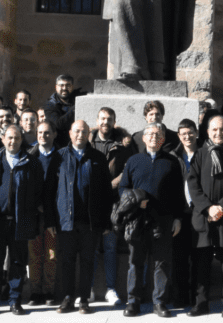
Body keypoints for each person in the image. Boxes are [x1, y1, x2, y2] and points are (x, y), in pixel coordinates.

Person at [120, 123, 187, 317]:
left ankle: (159, 302)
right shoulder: (133, 161)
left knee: (161, 263)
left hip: (163, 221)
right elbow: (123, 188)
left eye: (158, 135)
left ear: (163, 139)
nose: (153, 137)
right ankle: (133, 302)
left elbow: (178, 194)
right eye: (149, 134)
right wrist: (134, 201)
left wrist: (178, 218)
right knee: (135, 262)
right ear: (143, 138)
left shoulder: (172, 163)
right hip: (137, 221)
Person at [0, 124, 45, 315]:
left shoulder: (32, 163)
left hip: (20, 220)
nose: (12, 141)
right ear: (3, 139)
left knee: (17, 261)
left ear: (21, 140)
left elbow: (38, 189)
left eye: (16, 138)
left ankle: (15, 299)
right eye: (9, 138)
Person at [187, 115, 223, 318]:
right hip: (203, 217)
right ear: (208, 132)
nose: (218, 133)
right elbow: (192, 184)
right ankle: (201, 303)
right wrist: (207, 208)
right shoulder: (200, 154)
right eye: (214, 130)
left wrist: (220, 206)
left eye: (222, 129)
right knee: (200, 262)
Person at [54, 120, 114, 314]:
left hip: (90, 221)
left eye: (84, 131)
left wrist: (105, 220)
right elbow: (52, 191)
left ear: (89, 134)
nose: (80, 134)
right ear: (70, 133)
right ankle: (68, 298)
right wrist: (54, 219)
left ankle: (84, 299)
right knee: (67, 260)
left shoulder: (98, 157)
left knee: (88, 261)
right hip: (66, 221)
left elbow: (106, 192)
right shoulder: (60, 156)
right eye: (77, 131)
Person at [92, 107, 131, 305]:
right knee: (90, 246)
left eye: (109, 119)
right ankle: (89, 288)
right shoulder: (89, 141)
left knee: (110, 246)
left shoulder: (123, 144)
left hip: (113, 202)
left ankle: (110, 289)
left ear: (114, 121)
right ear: (97, 120)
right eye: (102, 118)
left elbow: (127, 170)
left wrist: (110, 186)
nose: (105, 122)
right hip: (91, 201)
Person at [27, 121, 61, 306]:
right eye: (40, 132)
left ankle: (48, 291)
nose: (43, 136)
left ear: (54, 134)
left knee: (51, 255)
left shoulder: (61, 157)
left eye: (47, 133)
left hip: (52, 216)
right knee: (34, 255)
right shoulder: (29, 156)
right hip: (33, 216)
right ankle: (35, 292)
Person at [171, 120, 200, 309]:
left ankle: (197, 297)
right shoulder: (173, 156)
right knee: (179, 259)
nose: (187, 137)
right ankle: (181, 297)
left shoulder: (204, 154)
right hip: (181, 214)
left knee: (199, 258)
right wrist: (175, 216)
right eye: (183, 134)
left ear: (196, 133)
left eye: (190, 133)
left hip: (199, 213)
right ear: (179, 136)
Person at [45, 74, 80, 144]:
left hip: (76, 143)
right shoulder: (50, 105)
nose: (64, 88)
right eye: (61, 85)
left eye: (68, 85)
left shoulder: (76, 99)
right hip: (58, 145)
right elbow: (58, 124)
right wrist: (75, 108)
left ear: (72, 87)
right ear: (56, 87)